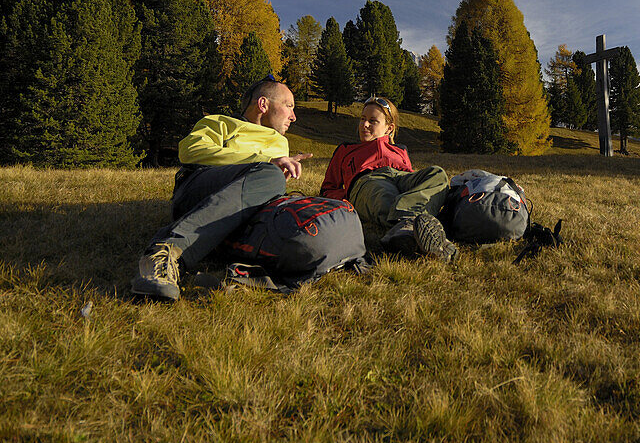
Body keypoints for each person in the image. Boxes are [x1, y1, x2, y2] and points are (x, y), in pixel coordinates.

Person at [130, 76, 312, 301]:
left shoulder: (281, 143)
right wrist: (264, 160)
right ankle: (166, 253)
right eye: (289, 106)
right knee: (271, 174)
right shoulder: (222, 123)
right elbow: (191, 151)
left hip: (241, 208)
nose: (294, 116)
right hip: (199, 189)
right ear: (263, 105)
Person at [320, 96, 456, 262]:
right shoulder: (346, 150)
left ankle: (409, 228)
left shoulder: (400, 150)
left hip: (400, 177)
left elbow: (412, 182)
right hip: (368, 181)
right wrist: (346, 198)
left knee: (437, 174)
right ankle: (418, 230)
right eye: (362, 119)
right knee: (385, 196)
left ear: (389, 128)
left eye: (372, 121)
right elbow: (328, 188)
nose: (364, 125)